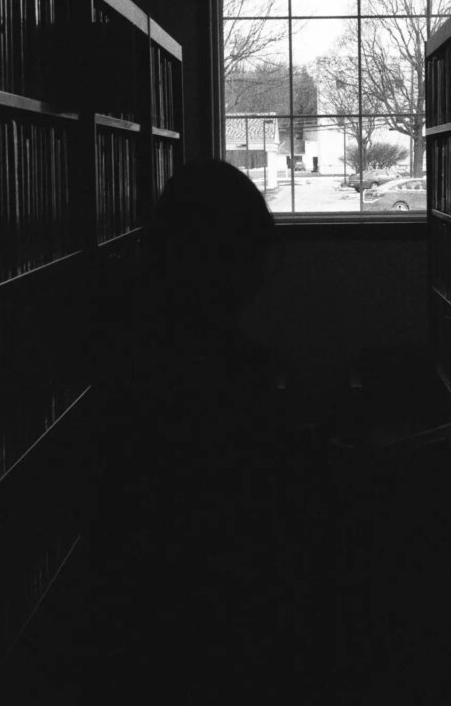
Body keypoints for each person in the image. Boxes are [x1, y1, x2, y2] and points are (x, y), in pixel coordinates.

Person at [84, 160, 309, 702]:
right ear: (220, 259)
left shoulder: (136, 341)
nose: (262, 275)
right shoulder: (213, 373)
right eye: (252, 255)